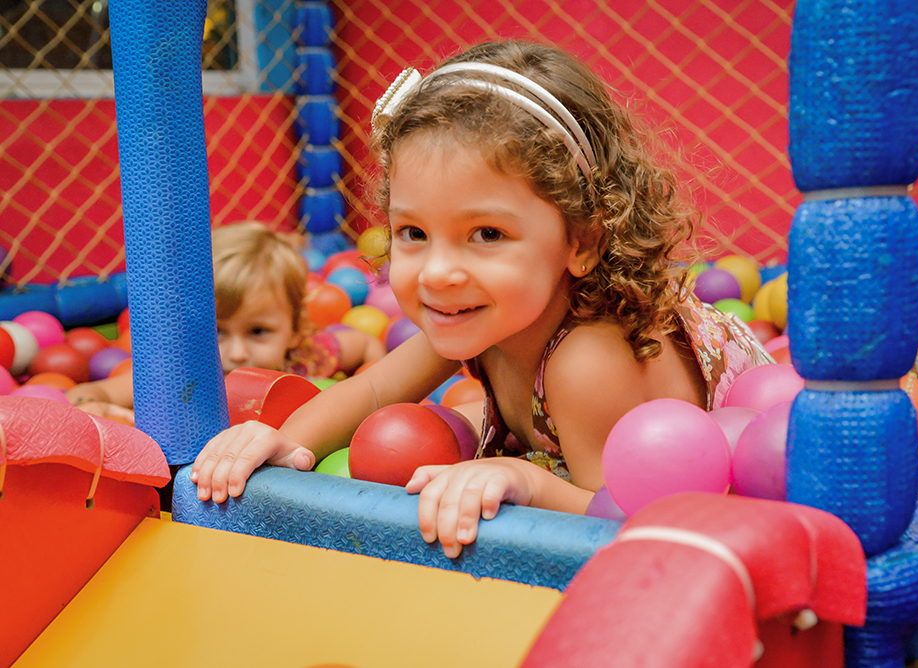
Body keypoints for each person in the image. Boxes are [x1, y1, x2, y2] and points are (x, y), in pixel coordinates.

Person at [190, 41, 772, 558]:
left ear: (582, 242)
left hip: (736, 472)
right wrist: (286, 440)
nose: (439, 273)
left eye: (487, 235)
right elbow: (370, 389)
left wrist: (529, 483)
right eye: (413, 233)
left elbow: (620, 516)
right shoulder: (485, 312)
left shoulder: (587, 361)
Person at [66, 221, 387, 425]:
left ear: (295, 330)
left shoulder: (309, 357)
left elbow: (365, 344)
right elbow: (84, 393)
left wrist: (374, 382)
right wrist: (93, 408)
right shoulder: (181, 374)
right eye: (215, 331)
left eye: (258, 331)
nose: (235, 354)